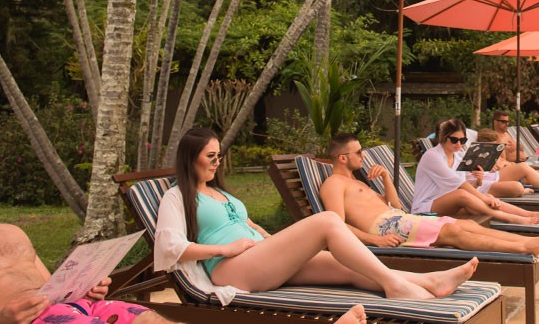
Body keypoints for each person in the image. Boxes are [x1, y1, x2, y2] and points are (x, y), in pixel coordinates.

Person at [155, 127, 477, 307]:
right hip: (232, 270)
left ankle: (430, 280)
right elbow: (171, 247)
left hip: (259, 258)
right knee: (327, 222)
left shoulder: (222, 193)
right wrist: (223, 250)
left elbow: (250, 226)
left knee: (347, 267)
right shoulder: (177, 196)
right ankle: (397, 286)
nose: (217, 163)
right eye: (210, 157)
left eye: (219, 156)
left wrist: (273, 241)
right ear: (190, 157)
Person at [0, 147, 179, 324]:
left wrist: (83, 290)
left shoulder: (11, 233)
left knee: (150, 319)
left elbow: (51, 289)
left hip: (73, 311)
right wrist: (0, 320)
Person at [321, 133, 539, 255]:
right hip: (384, 230)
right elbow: (335, 224)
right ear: (342, 158)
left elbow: (394, 204)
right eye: (359, 152)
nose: (363, 156)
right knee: (452, 232)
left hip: (398, 218)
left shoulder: (358, 183)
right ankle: (527, 247)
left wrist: (386, 177)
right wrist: (375, 240)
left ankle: (530, 243)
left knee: (463, 225)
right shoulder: (334, 184)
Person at [412, 119, 539, 225]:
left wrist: (479, 183)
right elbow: (460, 187)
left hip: (449, 203)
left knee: (485, 197)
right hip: (425, 208)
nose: (459, 144)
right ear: (443, 138)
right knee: (467, 195)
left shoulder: (457, 156)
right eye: (454, 140)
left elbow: (469, 184)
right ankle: (510, 218)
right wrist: (484, 198)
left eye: (463, 140)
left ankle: (531, 214)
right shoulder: (432, 156)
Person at [471, 128, 539, 197]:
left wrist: (509, 148)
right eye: (502, 121)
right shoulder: (483, 148)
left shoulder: (506, 135)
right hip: (530, 160)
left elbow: (520, 149)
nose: (505, 123)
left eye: (506, 121)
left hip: (527, 161)